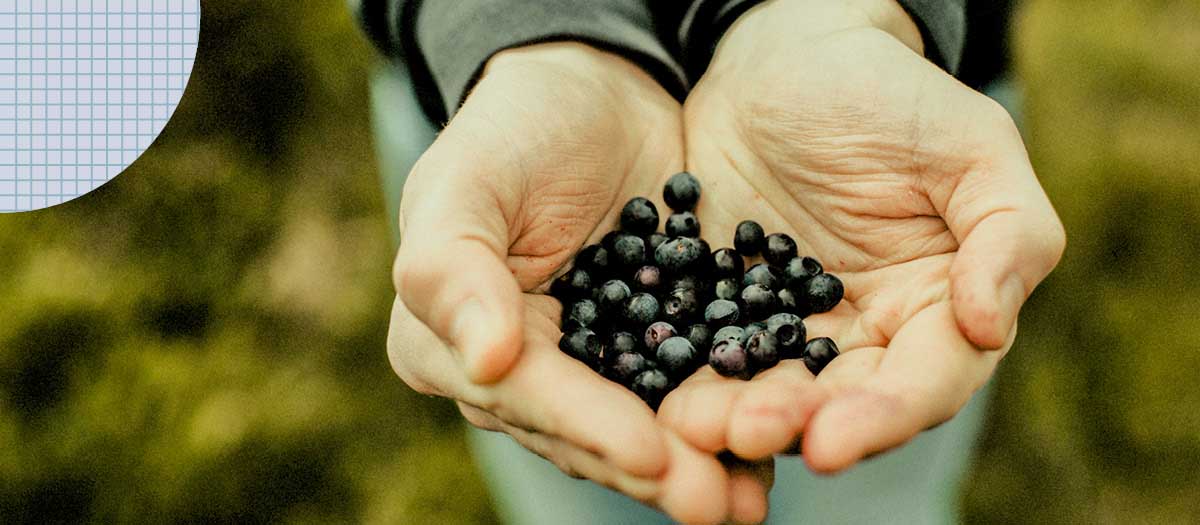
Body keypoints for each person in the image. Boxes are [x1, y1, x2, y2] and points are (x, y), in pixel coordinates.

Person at [356, 1, 1065, 523]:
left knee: (865, 494)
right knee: (584, 479)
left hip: (894, 88)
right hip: (487, 96)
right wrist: (521, 29)